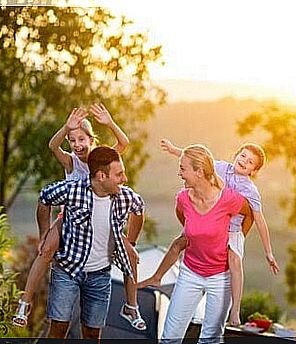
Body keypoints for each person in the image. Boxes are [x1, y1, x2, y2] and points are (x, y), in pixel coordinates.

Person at [13, 104, 146, 331]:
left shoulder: (100, 159)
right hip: (70, 216)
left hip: (103, 218)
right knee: (46, 250)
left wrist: (110, 122)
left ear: (91, 139)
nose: (77, 145)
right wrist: (66, 128)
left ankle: (131, 305)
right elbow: (52, 146)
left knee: (131, 256)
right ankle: (25, 301)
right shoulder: (71, 161)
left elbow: (123, 145)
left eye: (81, 140)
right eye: (72, 141)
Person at [139, 139, 280, 326]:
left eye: (250, 162)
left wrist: (268, 252)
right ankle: (157, 277)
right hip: (209, 223)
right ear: (236, 154)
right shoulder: (220, 167)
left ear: (253, 171)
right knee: (178, 243)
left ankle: (235, 311)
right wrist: (175, 150)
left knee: (234, 260)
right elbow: (198, 160)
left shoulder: (250, 190)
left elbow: (259, 220)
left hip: (233, 230)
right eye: (243, 155)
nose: (244, 161)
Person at [37, 145, 144, 339]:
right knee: (59, 329)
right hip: (67, 270)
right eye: (119, 174)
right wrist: (44, 232)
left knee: (92, 333)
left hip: (100, 275)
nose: (124, 179)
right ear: (101, 176)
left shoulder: (125, 197)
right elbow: (45, 197)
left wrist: (131, 241)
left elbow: (139, 209)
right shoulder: (74, 190)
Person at [158, 144, 252, 344]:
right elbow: (183, 219)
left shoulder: (228, 198)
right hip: (190, 273)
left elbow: (249, 214)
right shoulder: (183, 198)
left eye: (183, 169)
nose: (179, 173)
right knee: (169, 338)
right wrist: (198, 234)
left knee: (210, 340)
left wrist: (236, 240)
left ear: (199, 172)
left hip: (221, 278)